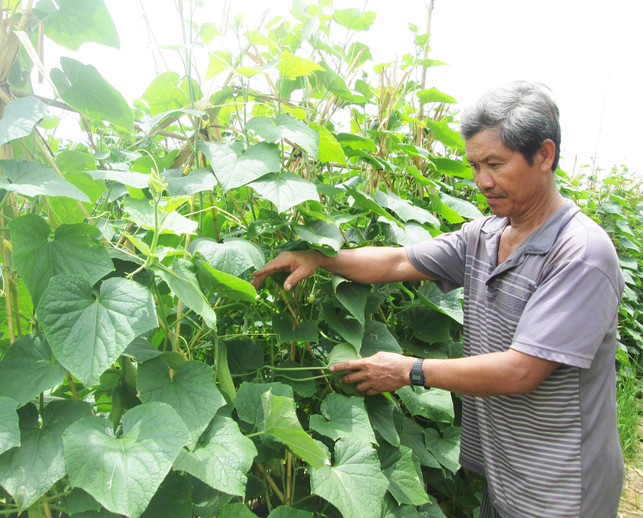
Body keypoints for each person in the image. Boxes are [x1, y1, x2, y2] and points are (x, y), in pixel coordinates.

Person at [251, 81, 624, 518]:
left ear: (544, 155)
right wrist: (316, 256)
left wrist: (409, 370)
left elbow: (522, 370)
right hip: (506, 472)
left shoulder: (580, 253)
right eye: (474, 165)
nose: (481, 181)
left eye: (495, 164)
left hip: (562, 486)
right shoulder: (485, 235)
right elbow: (395, 262)